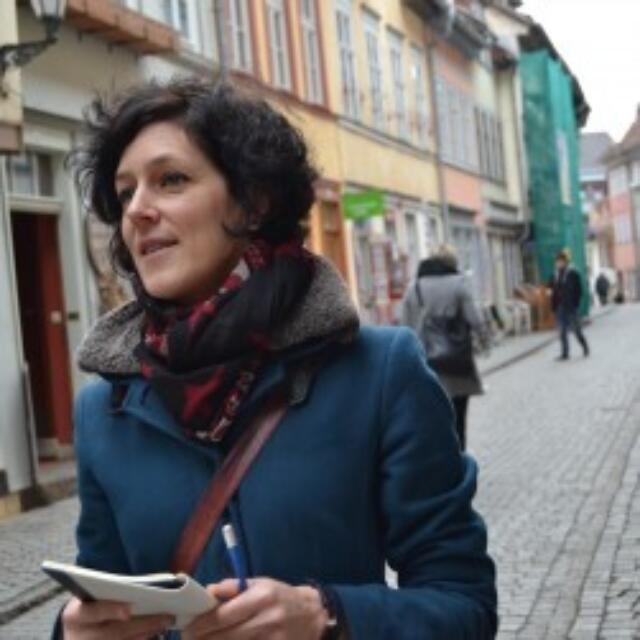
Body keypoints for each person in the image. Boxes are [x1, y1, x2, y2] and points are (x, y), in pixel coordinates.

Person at [57, 78, 497, 639]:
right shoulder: (105, 411)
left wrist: (328, 615)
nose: (138, 210)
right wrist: (73, 633)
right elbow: (104, 599)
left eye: (171, 180)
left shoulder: (378, 373)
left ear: (254, 200)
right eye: (125, 194)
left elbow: (465, 607)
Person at [401, 246, 487, 452]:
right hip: (456, 363)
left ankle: (439, 460)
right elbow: (476, 320)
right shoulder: (459, 284)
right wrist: (485, 341)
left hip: (425, 364)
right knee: (458, 419)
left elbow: (405, 327)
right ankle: (459, 459)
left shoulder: (414, 288)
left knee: (433, 420)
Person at [549, 249, 589, 360]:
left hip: (571, 306)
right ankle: (565, 353)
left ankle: (584, 346)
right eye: (557, 262)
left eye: (560, 261)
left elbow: (579, 290)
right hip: (559, 306)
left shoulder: (573, 273)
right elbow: (552, 288)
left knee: (576, 330)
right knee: (562, 331)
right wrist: (553, 304)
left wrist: (575, 303)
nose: (558, 263)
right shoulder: (555, 274)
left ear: (565, 262)